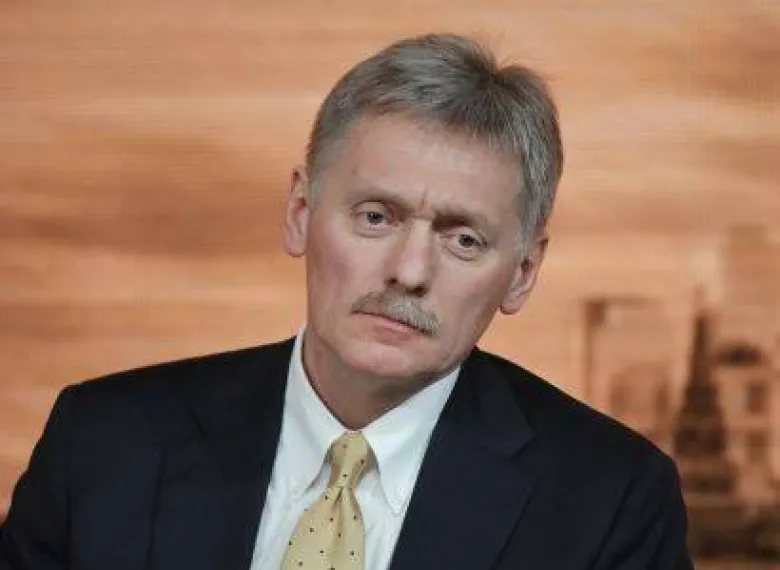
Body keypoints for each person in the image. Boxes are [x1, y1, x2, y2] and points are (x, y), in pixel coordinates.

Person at [0, 33, 692, 569]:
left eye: (463, 239)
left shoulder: (611, 500)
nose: (409, 272)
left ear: (523, 273)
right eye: (375, 217)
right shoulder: (103, 446)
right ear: (300, 213)